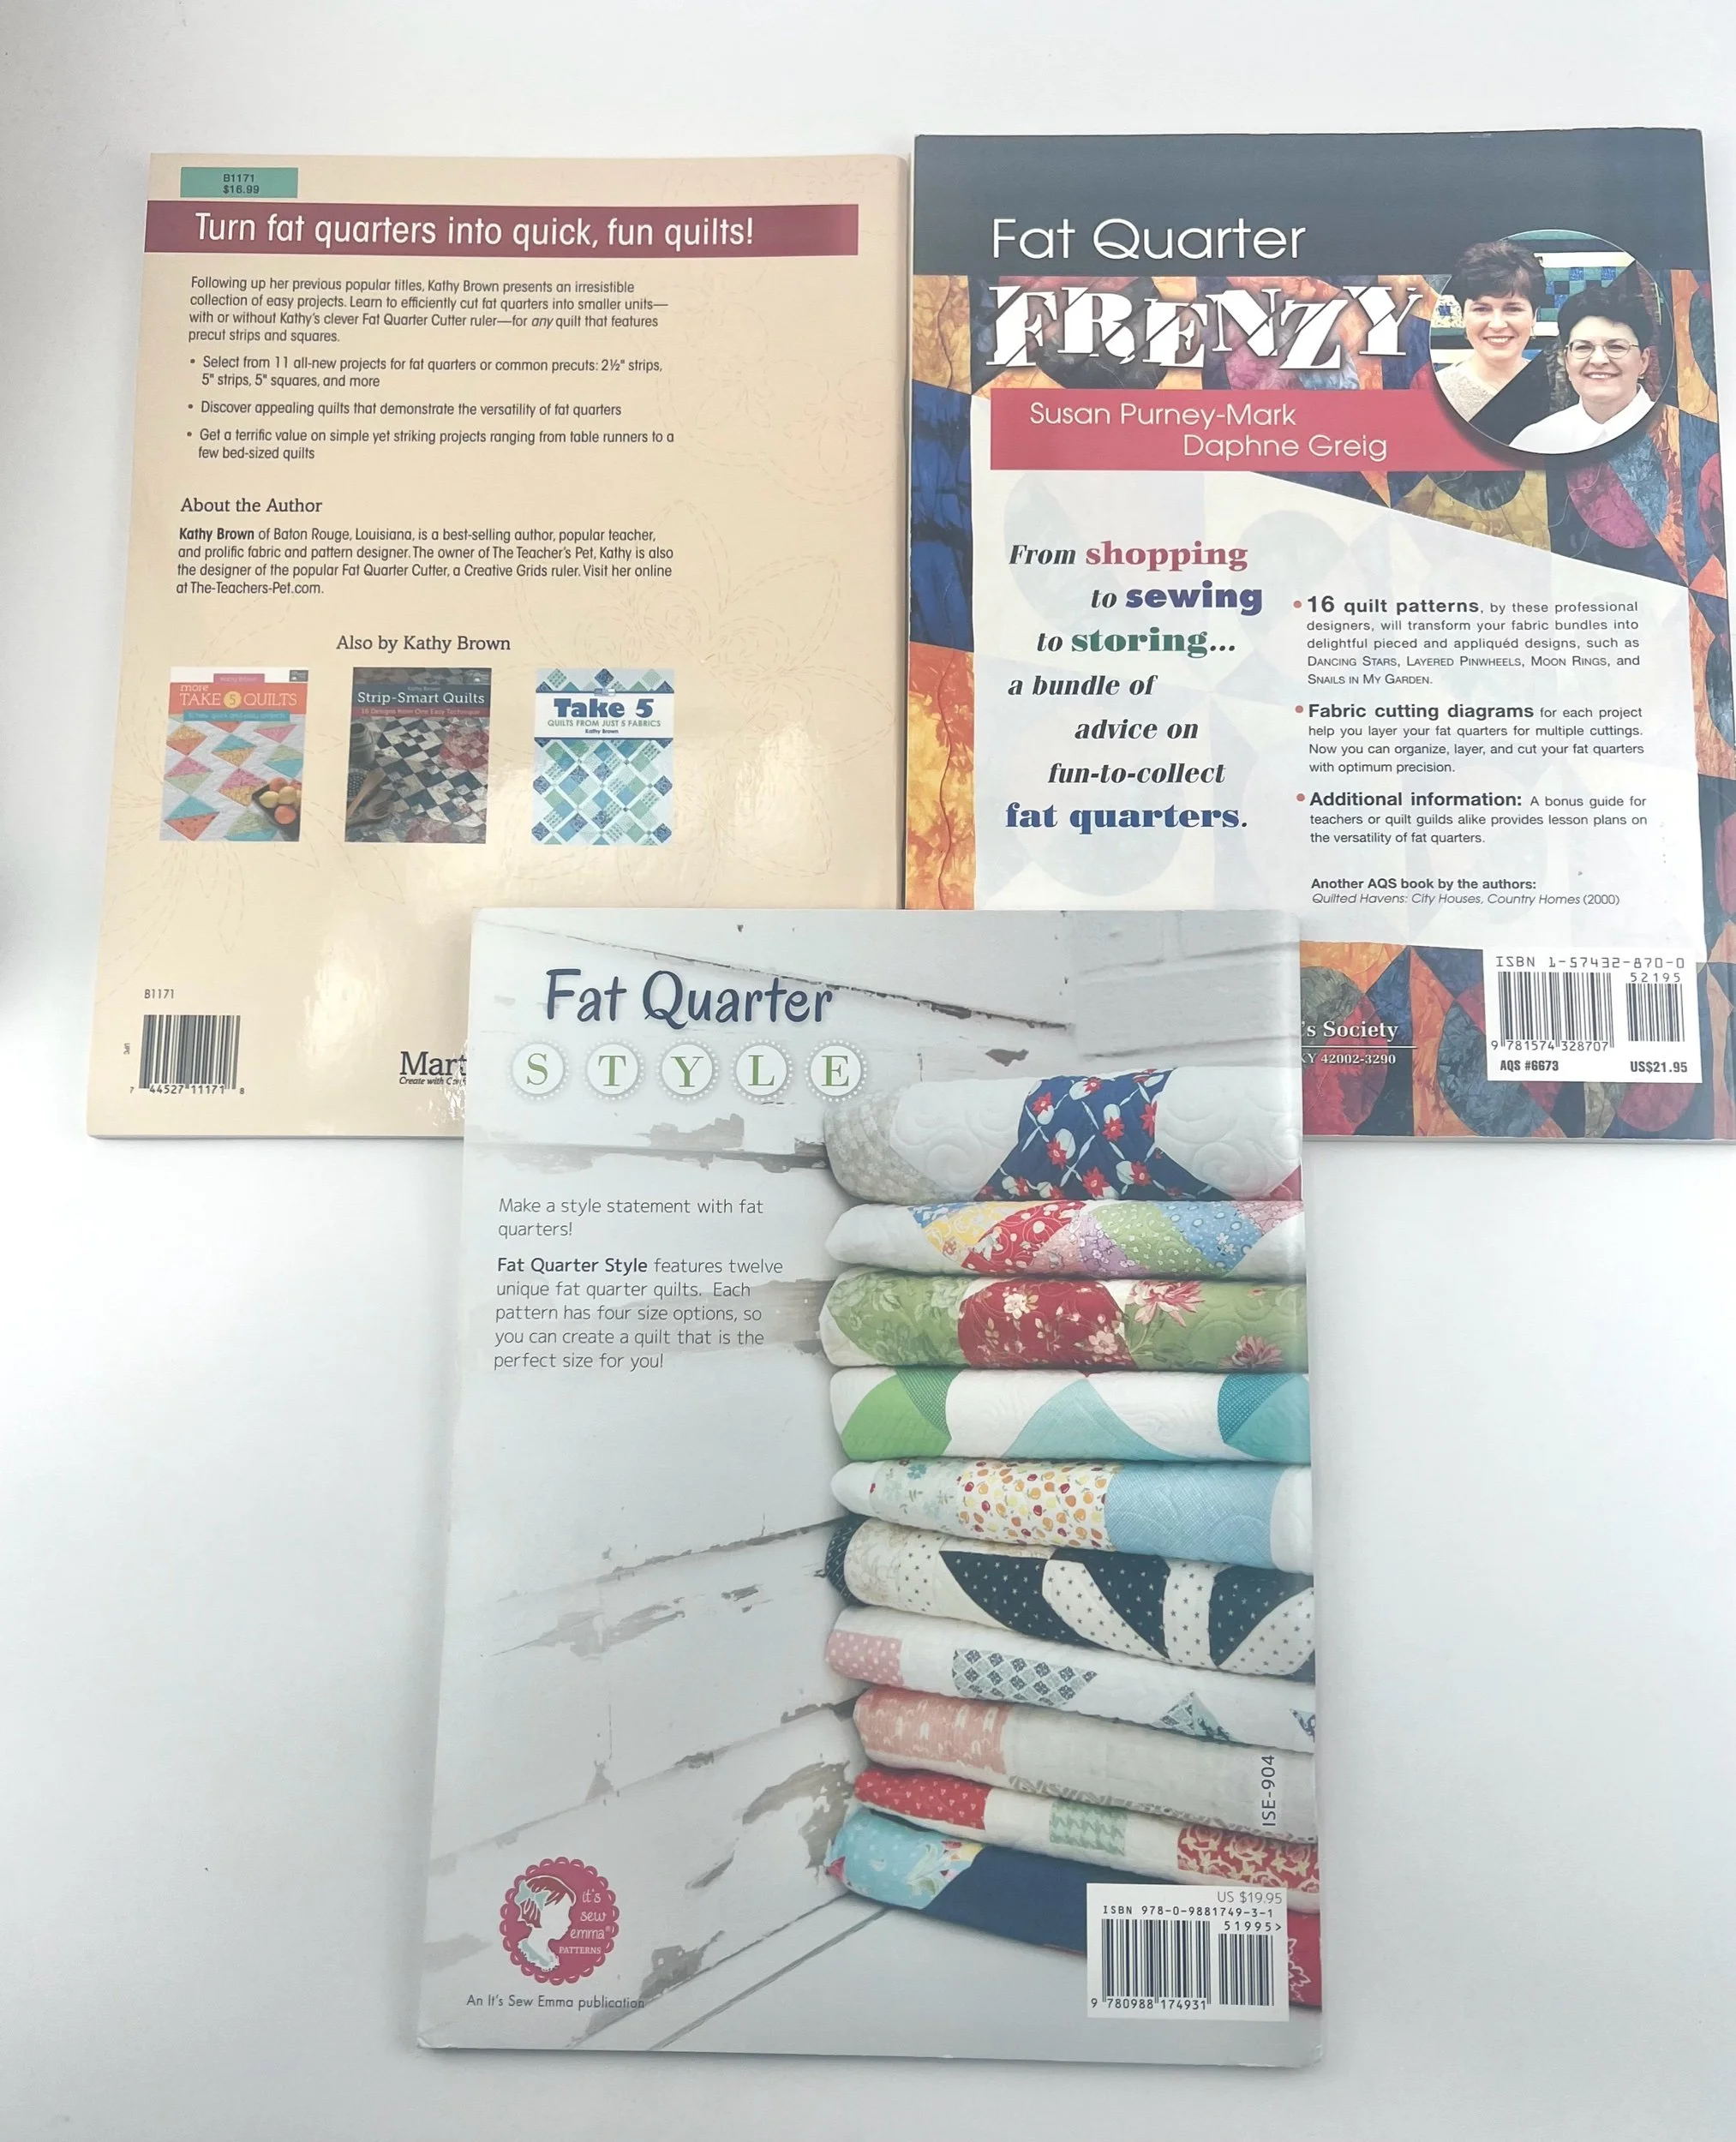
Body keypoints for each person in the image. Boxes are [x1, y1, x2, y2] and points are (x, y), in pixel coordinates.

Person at [1510, 284, 1658, 452]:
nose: (1599, 360)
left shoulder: (1678, 434)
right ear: (1567, 361)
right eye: (1583, 347)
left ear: (1643, 361)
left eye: (1616, 347)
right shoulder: (1534, 443)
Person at [1439, 239, 1545, 420]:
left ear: (1534, 315)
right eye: (1482, 309)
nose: (1497, 324)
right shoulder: (1434, 393)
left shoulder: (1562, 390)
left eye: (1513, 309)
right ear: (1462, 315)